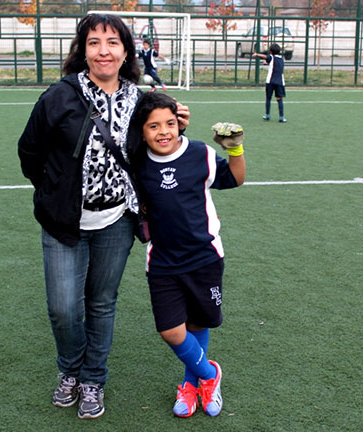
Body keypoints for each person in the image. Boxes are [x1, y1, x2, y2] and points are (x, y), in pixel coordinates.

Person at [17, 14, 189, 420]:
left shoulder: (140, 99)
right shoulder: (58, 96)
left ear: (126, 50)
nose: (103, 50)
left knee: (101, 303)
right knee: (63, 308)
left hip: (118, 221)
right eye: (94, 42)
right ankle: (70, 371)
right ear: (83, 50)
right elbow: (30, 152)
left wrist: (178, 125)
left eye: (112, 42)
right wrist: (54, 192)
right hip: (64, 223)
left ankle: (93, 379)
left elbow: (160, 141)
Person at [130, 92, 246, 418]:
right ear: (141, 131)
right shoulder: (137, 164)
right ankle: (210, 374)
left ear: (180, 123)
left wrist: (234, 147)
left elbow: (235, 178)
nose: (163, 131)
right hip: (163, 262)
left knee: (198, 322)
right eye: (153, 126)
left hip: (205, 258)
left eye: (169, 123)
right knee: (171, 330)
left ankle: (191, 385)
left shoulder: (199, 154)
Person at [253, 43, 287, 122]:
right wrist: (268, 63)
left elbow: (266, 57)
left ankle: (267, 115)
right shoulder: (282, 59)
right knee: (279, 99)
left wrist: (257, 54)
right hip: (280, 82)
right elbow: (276, 64)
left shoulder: (271, 57)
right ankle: (281, 117)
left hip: (270, 82)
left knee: (268, 98)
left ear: (271, 52)